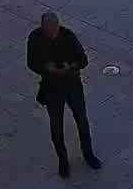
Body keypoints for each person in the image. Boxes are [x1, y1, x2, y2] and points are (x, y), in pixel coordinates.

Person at [27, 12, 101, 178]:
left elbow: (83, 60)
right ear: (43, 27)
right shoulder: (35, 38)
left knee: (82, 120)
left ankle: (88, 155)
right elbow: (31, 63)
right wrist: (47, 69)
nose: (53, 32)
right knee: (56, 126)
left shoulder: (68, 36)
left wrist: (69, 67)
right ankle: (63, 161)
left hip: (72, 84)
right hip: (52, 88)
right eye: (49, 29)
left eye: (55, 28)